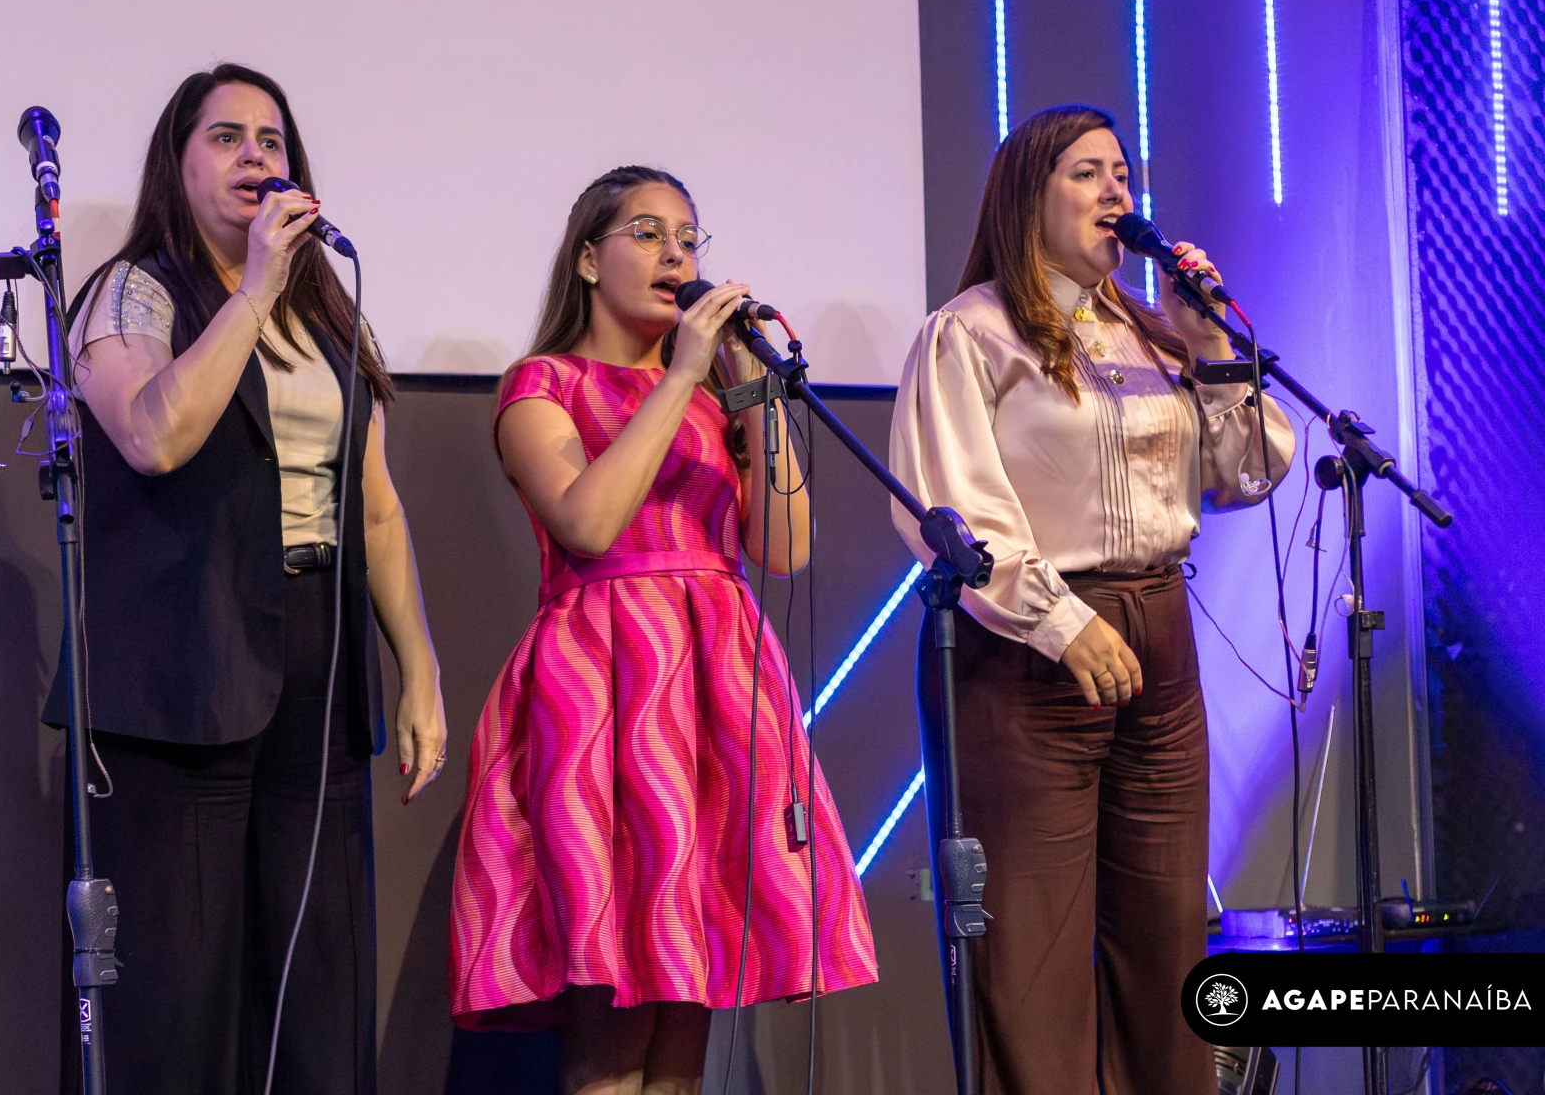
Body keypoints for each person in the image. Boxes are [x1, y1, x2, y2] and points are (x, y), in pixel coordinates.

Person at [53, 62, 448, 1094]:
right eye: (226, 137)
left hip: (318, 663)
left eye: (271, 140)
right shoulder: (129, 292)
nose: (255, 156)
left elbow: (376, 505)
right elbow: (154, 436)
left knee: (320, 990)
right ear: (177, 163)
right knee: (180, 997)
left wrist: (417, 669)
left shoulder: (328, 313)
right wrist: (254, 290)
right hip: (184, 669)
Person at [889, 104, 1295, 1093]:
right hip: (1030, 650)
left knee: (1166, 938)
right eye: (1087, 172)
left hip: (1159, 635)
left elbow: (1246, 473)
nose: (1117, 190)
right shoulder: (969, 331)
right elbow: (952, 508)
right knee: (1034, 953)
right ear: (1029, 196)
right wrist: (1061, 621)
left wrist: (1208, 342)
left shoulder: (1154, 332)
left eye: (1122, 172)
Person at [449, 165, 879, 1095]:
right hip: (603, 692)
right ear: (587, 259)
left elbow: (786, 549)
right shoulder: (542, 384)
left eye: (688, 238)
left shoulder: (718, 400)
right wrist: (681, 372)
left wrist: (751, 396)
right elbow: (589, 524)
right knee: (612, 1018)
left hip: (717, 687)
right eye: (646, 233)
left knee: (689, 1006)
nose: (675, 255)